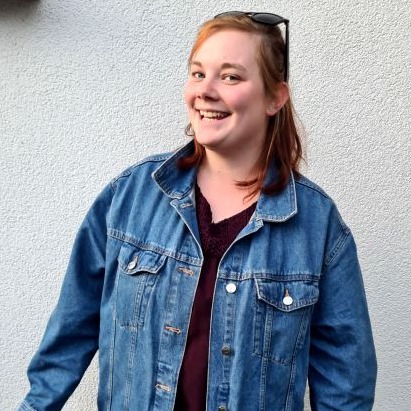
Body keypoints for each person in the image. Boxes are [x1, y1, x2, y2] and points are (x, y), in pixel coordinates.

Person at [17, 11, 377, 411]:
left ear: (275, 98)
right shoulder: (130, 198)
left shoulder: (317, 226)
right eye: (198, 73)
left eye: (230, 77)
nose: (205, 90)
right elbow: (69, 335)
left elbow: (346, 384)